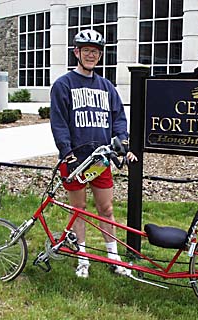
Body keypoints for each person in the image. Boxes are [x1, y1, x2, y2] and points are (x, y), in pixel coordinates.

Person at [50, 29, 137, 278]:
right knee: (80, 209)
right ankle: (83, 258)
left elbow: (119, 118)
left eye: (95, 52)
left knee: (106, 208)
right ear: (76, 52)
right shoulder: (63, 85)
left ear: (100, 56)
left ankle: (114, 258)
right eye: (86, 50)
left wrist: (122, 142)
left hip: (101, 159)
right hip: (76, 160)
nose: (91, 55)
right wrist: (66, 152)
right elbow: (59, 122)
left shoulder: (106, 86)